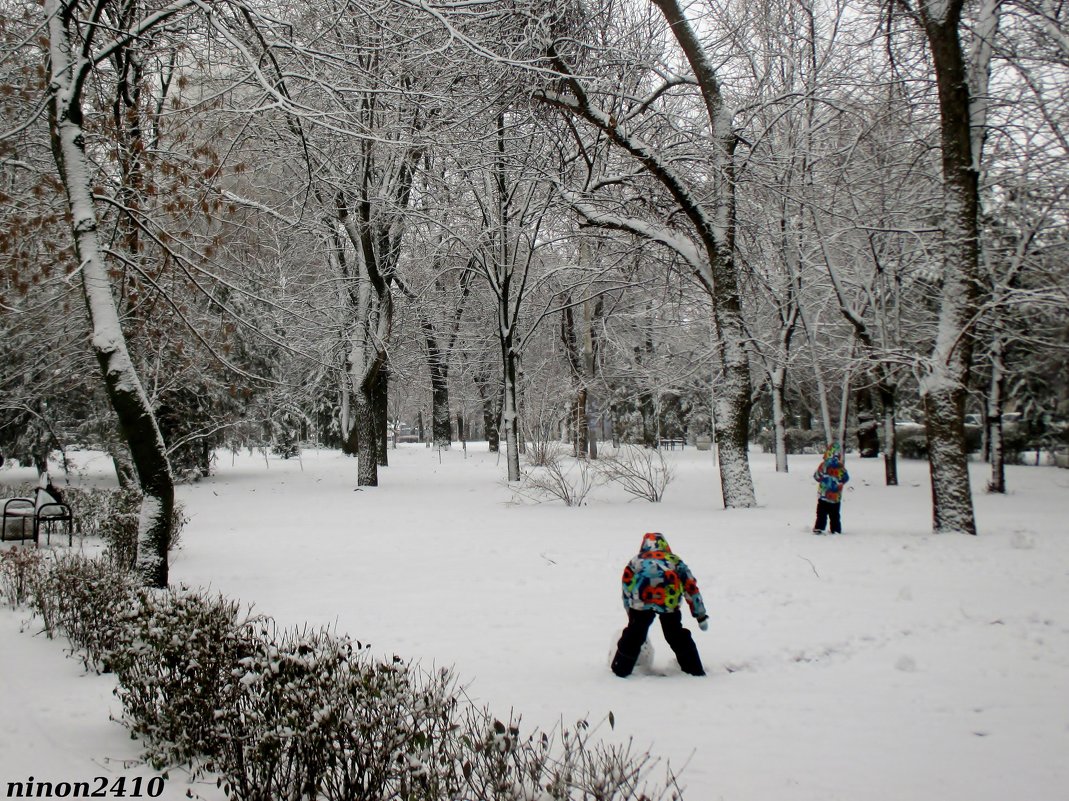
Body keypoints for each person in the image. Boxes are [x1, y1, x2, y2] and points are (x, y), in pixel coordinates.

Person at [611, 532, 708, 677]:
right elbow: (690, 587)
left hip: (642, 600)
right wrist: (700, 615)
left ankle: (621, 669)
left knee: (635, 634)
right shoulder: (674, 560)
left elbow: (627, 587)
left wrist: (630, 613)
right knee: (675, 633)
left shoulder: (636, 561)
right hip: (669, 599)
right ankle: (694, 669)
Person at [813, 442, 849, 534]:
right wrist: (840, 483)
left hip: (824, 495)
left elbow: (817, 476)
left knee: (821, 513)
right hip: (836, 497)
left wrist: (822, 480)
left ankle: (819, 527)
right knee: (835, 515)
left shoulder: (823, 465)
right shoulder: (841, 467)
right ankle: (836, 529)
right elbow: (846, 478)